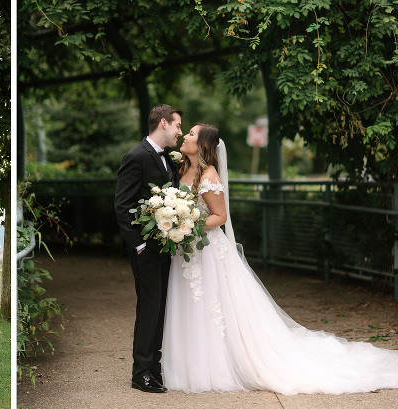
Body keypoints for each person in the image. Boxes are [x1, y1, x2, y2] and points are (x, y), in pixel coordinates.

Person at [162, 123, 398, 394]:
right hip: (188, 251)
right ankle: (187, 363)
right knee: (190, 305)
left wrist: (188, 225)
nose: (186, 136)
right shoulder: (182, 168)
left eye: (191, 133)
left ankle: (216, 366)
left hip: (207, 251)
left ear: (203, 145)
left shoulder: (209, 175)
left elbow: (220, 217)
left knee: (213, 307)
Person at [114, 104, 182, 394]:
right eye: (178, 125)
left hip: (165, 247)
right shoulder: (136, 156)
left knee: (160, 308)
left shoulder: (168, 159)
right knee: (149, 307)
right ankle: (140, 373)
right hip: (146, 249)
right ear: (164, 124)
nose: (180, 131)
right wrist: (139, 245)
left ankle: (154, 368)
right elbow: (122, 205)